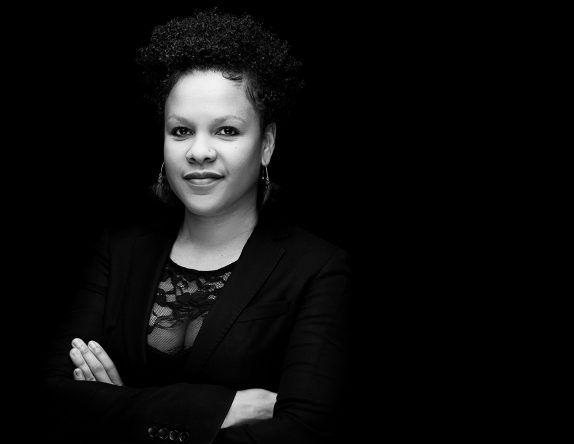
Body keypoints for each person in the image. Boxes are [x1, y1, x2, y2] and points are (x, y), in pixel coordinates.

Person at [42, 9, 352, 443]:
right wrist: (214, 410)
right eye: (181, 130)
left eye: (226, 131)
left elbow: (305, 432)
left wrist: (117, 408)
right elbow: (52, 401)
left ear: (266, 144)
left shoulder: (317, 268)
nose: (199, 151)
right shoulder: (118, 251)